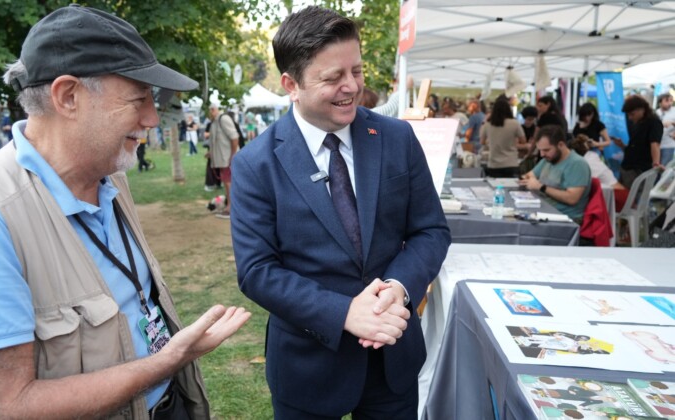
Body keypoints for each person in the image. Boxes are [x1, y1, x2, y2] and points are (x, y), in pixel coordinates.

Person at [0, 5, 250, 419]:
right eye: (139, 98)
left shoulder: (110, 174)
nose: (152, 118)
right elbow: (0, 408)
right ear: (68, 96)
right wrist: (167, 361)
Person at [229, 6, 451, 419]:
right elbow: (257, 270)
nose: (351, 87)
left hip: (392, 361)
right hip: (307, 368)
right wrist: (344, 313)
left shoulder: (396, 138)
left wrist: (398, 289)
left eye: (357, 71)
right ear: (290, 84)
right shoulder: (255, 164)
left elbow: (431, 231)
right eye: (332, 78)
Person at [520, 125, 591, 224]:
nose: (542, 154)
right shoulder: (549, 159)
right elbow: (529, 175)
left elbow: (572, 198)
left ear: (561, 145)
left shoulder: (577, 164)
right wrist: (531, 179)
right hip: (545, 211)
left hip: (565, 218)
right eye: (540, 150)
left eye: (546, 150)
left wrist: (541, 187)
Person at [613, 95, 663, 188]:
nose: (630, 118)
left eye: (632, 114)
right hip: (627, 166)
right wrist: (623, 146)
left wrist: (656, 163)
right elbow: (636, 146)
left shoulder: (654, 122)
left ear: (642, 109)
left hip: (639, 169)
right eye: (628, 115)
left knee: (635, 198)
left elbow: (655, 144)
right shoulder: (637, 123)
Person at [207, 104, 239, 219]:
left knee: (229, 183)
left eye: (213, 109)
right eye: (210, 109)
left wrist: (233, 155)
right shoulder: (214, 122)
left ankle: (231, 208)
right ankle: (229, 206)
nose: (211, 111)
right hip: (222, 159)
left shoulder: (223, 119)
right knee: (226, 183)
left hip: (227, 159)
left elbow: (234, 137)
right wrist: (211, 153)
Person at [480, 98, 526, 178]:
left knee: (495, 188)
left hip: (494, 164)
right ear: (508, 109)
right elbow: (523, 141)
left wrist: (491, 141)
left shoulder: (487, 125)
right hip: (511, 163)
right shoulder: (515, 124)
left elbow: (482, 142)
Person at [656, 93, 675, 166]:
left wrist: (672, 123)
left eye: (671, 100)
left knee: (664, 167)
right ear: (660, 102)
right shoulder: (657, 112)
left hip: (669, 145)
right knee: (656, 167)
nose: (669, 103)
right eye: (666, 101)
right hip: (658, 144)